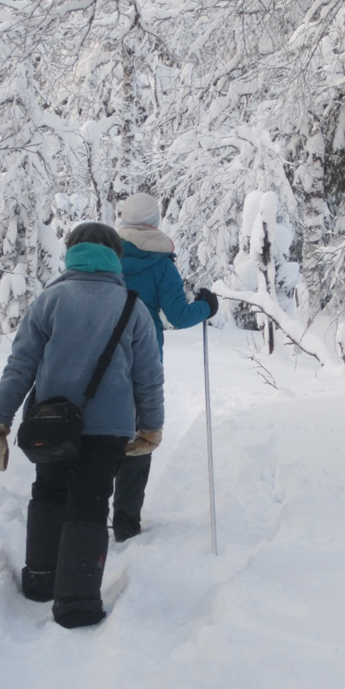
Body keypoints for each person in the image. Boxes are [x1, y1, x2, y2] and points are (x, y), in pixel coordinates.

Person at [0, 221, 164, 629]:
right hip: (110, 430)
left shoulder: (49, 301)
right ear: (115, 257)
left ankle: (42, 579)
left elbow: (20, 367)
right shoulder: (131, 305)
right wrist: (151, 426)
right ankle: (77, 601)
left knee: (48, 491)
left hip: (51, 422)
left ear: (71, 253)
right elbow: (148, 377)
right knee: (91, 501)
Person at [112, 191, 218, 543]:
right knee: (141, 435)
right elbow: (179, 316)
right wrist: (207, 307)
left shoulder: (106, 256)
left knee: (100, 431)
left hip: (99, 357)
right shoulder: (161, 263)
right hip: (144, 359)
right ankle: (126, 521)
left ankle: (89, 512)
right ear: (155, 221)